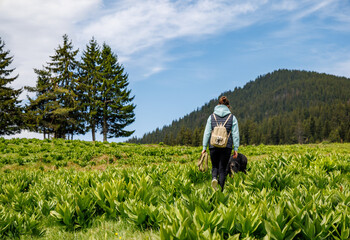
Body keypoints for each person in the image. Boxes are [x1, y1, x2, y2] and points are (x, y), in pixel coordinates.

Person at [202, 96, 239, 191]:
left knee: (214, 166)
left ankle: (214, 178)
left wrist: (204, 147)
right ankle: (220, 190)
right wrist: (236, 149)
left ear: (218, 105)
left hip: (213, 145)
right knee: (223, 168)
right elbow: (235, 134)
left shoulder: (211, 117)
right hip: (226, 146)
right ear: (228, 106)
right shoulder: (232, 118)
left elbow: (207, 132)